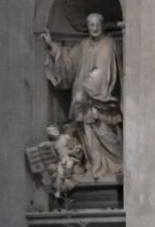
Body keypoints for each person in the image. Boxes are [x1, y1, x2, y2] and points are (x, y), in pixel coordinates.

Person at [42, 13, 122, 179]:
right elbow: (69, 62)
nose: (94, 28)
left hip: (98, 101)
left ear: (102, 25)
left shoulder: (108, 45)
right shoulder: (84, 45)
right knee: (86, 135)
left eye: (97, 25)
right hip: (81, 100)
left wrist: (86, 92)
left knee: (103, 132)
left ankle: (115, 163)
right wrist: (53, 47)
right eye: (91, 25)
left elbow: (102, 72)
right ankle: (94, 167)